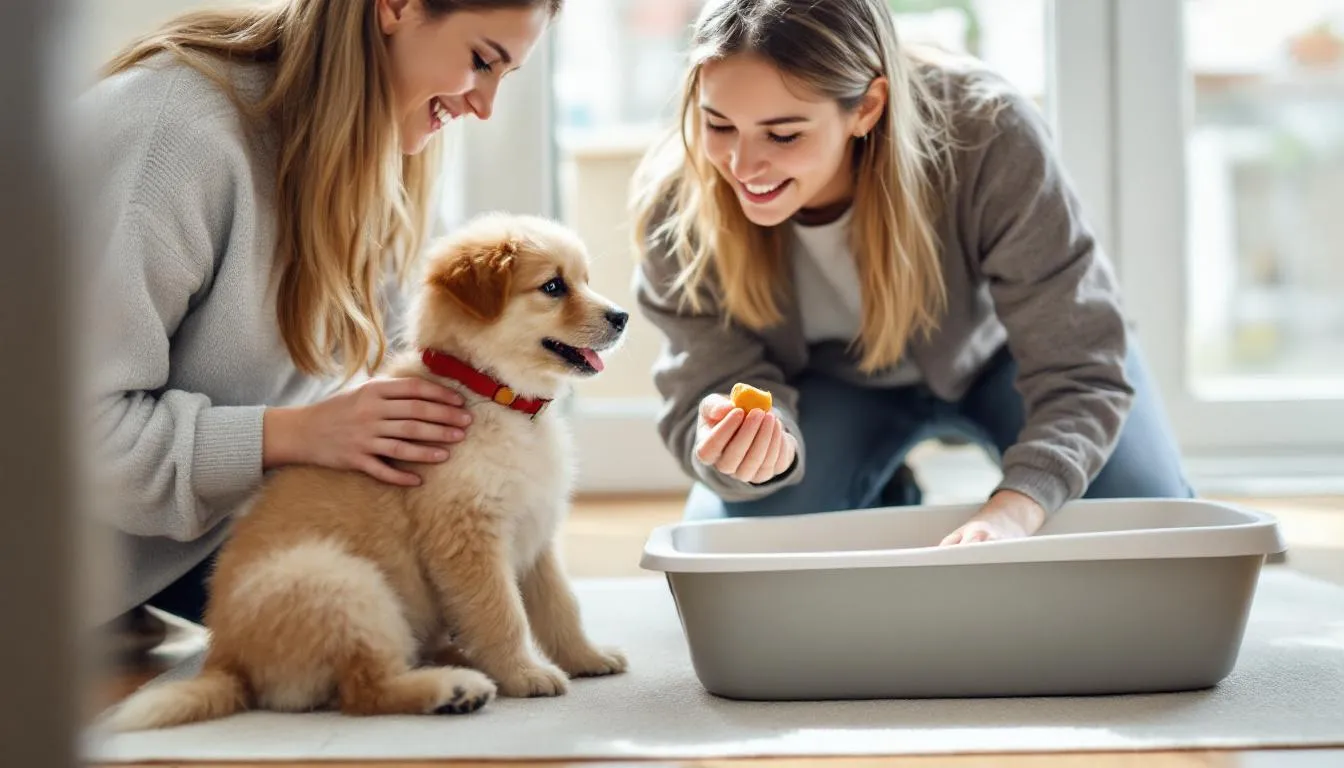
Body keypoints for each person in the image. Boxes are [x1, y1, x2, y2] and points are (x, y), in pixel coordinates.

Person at [73, 0, 562, 636]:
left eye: (506, 75)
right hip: (67, 542)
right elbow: (65, 438)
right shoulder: (173, 135)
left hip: (200, 529)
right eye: (481, 61)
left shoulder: (394, 150)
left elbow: (395, 360)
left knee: (460, 616)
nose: (485, 105)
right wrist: (294, 435)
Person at [630, 0, 1193, 545]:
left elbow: (1079, 364)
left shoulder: (990, 133)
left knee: (1148, 524)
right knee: (739, 544)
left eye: (783, 134)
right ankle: (884, 492)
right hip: (826, 387)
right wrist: (748, 448)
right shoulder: (677, 206)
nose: (742, 166)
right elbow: (707, 381)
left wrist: (1015, 511)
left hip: (1007, 359)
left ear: (867, 108)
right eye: (718, 124)